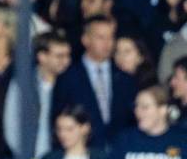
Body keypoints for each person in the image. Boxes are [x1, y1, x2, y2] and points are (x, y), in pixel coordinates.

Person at [51, 16, 138, 148]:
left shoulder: (125, 79)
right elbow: (57, 119)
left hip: (118, 152)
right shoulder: (68, 78)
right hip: (82, 153)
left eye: (110, 37)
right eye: (100, 37)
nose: (107, 43)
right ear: (85, 40)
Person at [2, 31, 73, 159]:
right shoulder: (23, 83)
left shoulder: (70, 83)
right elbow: (11, 124)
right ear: (42, 57)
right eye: (59, 56)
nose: (66, 61)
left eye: (68, 55)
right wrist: (25, 158)